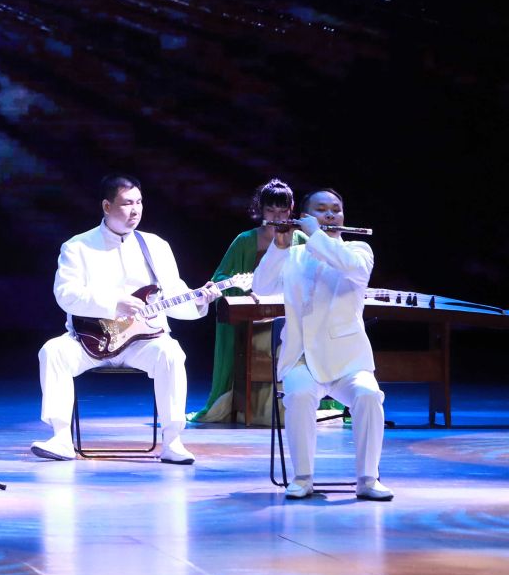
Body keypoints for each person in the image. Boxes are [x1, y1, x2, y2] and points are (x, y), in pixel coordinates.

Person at [33, 176, 221, 464]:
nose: (135, 210)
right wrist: (113, 303)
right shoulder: (77, 246)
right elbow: (66, 294)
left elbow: (173, 294)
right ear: (107, 206)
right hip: (91, 339)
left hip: (142, 341)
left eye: (139, 202)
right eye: (126, 203)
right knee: (53, 351)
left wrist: (198, 301)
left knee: (171, 353)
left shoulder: (155, 245)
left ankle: (172, 441)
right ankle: (60, 438)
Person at [256, 187, 391, 501]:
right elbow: (261, 287)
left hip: (348, 360)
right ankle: (302, 477)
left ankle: (368, 479)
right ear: (305, 216)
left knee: (369, 395)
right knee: (300, 394)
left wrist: (315, 234)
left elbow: (349, 267)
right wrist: (278, 246)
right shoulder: (293, 256)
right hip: (302, 358)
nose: (330, 215)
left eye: (335, 210)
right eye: (321, 210)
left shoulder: (358, 250)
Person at [192, 180, 299, 426]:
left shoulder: (300, 238)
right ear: (261, 210)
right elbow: (221, 276)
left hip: (291, 315)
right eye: (271, 210)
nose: (277, 217)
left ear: (291, 209)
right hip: (253, 317)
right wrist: (243, 289)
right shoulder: (246, 240)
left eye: (283, 211)